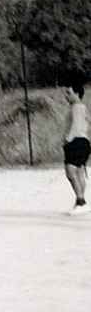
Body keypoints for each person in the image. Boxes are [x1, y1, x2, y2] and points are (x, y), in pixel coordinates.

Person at [63, 76, 89, 216]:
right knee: (79, 172)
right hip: (84, 141)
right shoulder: (82, 107)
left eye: (69, 93)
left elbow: (76, 125)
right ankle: (81, 202)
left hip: (76, 142)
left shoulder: (77, 107)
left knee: (70, 172)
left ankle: (81, 202)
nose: (66, 96)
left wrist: (68, 139)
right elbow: (87, 121)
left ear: (77, 94)